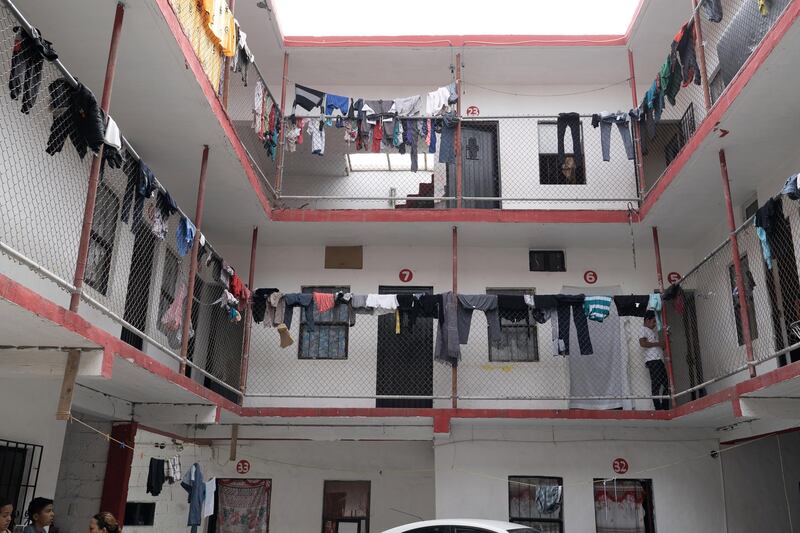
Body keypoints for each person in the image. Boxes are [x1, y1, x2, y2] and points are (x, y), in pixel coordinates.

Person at [640, 310, 671, 410]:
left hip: (658, 359)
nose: (654, 324)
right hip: (652, 360)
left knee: (665, 384)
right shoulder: (643, 329)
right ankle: (659, 408)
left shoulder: (652, 332)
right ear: (647, 320)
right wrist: (658, 344)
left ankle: (664, 407)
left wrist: (663, 344)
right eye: (653, 321)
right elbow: (643, 343)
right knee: (657, 384)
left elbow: (656, 346)